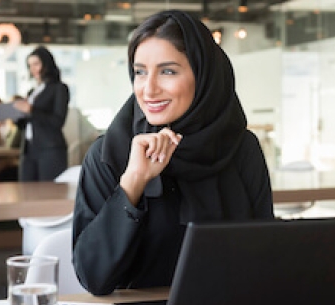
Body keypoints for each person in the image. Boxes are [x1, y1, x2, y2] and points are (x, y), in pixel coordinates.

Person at [71, 10, 274, 300]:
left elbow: (265, 255)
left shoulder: (241, 148)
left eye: (168, 71)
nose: (149, 89)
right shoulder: (109, 153)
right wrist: (133, 182)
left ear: (203, 75)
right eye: (140, 72)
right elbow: (94, 277)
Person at [12, 46, 69, 181]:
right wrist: (17, 116)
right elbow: (29, 124)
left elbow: (58, 121)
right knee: (26, 192)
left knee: (49, 194)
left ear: (46, 63)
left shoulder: (59, 88)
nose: (33, 69)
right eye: (30, 65)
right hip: (29, 149)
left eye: (36, 64)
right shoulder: (32, 91)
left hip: (50, 149)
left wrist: (31, 110)